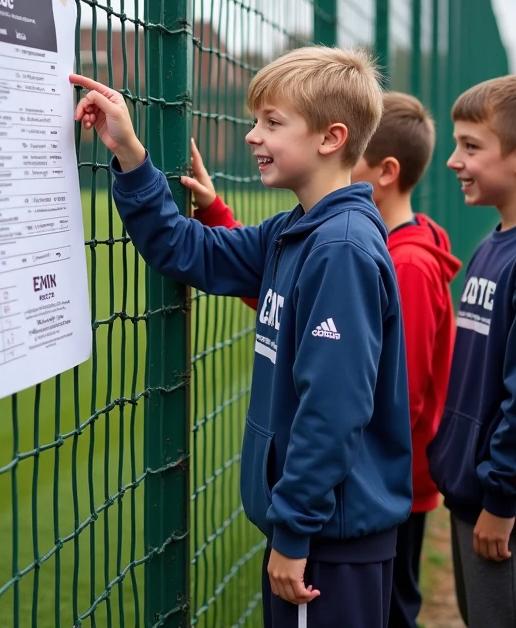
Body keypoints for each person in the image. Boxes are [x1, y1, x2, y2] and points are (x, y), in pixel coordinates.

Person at [71, 46, 413, 628]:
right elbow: (186, 249)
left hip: (324, 541)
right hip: (313, 532)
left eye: (273, 123)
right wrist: (130, 153)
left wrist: (295, 531)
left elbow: (333, 409)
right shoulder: (296, 231)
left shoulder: (340, 249)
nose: (253, 135)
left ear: (331, 138)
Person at [184, 93, 462, 628]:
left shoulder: (374, 255)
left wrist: (299, 519)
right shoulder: (342, 237)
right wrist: (218, 216)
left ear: (382, 169)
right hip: (347, 492)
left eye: (272, 122)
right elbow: (292, 301)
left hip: (354, 494)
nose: (255, 134)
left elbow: (360, 398)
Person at [426, 75, 516, 628]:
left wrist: (501, 500)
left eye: (471, 146)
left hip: (500, 504)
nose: (453, 160)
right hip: (470, 489)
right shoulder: (493, 243)